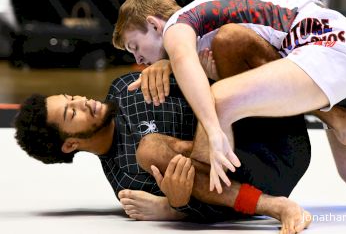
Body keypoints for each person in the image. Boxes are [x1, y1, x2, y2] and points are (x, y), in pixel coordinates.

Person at [112, 0, 346, 211]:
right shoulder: (209, 26)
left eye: (134, 45)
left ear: (156, 24)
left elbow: (193, 72)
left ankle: (198, 208)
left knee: (217, 101)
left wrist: (213, 133)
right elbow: (255, 65)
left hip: (330, 49)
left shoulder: (179, 25)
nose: (138, 58)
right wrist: (162, 66)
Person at [14, 71, 317, 232]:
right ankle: (275, 207)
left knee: (231, 41)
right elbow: (219, 207)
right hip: (264, 174)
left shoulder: (124, 87)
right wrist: (181, 206)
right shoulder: (127, 180)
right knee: (150, 149)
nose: (81, 100)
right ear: (70, 144)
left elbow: (203, 67)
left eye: (72, 96)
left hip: (275, 121)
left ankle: (337, 114)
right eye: (71, 113)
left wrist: (167, 60)